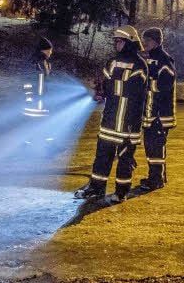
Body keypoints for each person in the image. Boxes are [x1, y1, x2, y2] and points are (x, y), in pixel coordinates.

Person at [75, 26, 148, 204]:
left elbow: (132, 91)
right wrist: (100, 91)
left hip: (127, 123)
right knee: (102, 156)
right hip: (109, 121)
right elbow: (109, 85)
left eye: (119, 41)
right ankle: (96, 188)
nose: (116, 44)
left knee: (125, 160)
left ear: (130, 42)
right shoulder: (112, 62)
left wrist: (108, 87)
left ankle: (121, 192)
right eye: (115, 41)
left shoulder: (139, 65)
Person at [133, 27, 176, 194]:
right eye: (144, 40)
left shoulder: (164, 60)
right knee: (150, 147)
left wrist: (146, 83)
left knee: (156, 148)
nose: (145, 43)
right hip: (150, 114)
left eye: (148, 41)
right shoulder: (150, 58)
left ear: (156, 41)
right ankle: (156, 176)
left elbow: (165, 86)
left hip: (160, 114)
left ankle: (156, 180)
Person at [23, 37, 53, 117]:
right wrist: (30, 99)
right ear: (43, 50)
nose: (51, 52)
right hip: (35, 104)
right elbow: (28, 83)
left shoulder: (43, 61)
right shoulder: (36, 63)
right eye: (49, 50)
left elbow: (44, 80)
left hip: (40, 101)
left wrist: (48, 71)